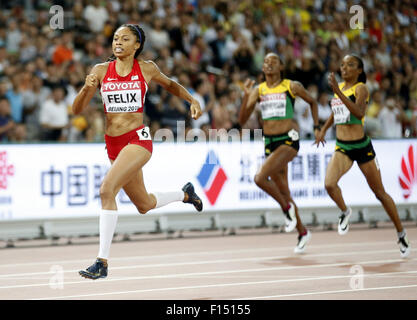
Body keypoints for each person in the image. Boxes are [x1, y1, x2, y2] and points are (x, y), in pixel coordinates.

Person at [73, 24, 203, 280]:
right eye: (115, 38)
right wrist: (87, 88)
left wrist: (193, 100)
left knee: (106, 190)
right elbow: (77, 110)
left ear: (137, 45)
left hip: (138, 140)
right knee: (144, 204)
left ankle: (102, 262)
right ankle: (185, 194)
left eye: (125, 38)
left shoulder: (147, 68)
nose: (118, 41)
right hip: (113, 144)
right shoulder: (99, 71)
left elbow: (172, 85)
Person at [315, 54, 411, 258]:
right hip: (343, 146)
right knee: (329, 184)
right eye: (342, 64)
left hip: (362, 147)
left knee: (379, 193)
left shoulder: (361, 88)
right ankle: (344, 211)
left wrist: (337, 92)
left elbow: (358, 113)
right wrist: (323, 129)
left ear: (359, 70)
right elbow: (336, 111)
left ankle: (401, 233)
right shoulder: (340, 88)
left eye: (350, 65)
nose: (345, 68)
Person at [238, 52, 320, 254]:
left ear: (281, 66)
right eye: (265, 61)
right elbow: (242, 120)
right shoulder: (259, 90)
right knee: (284, 191)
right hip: (270, 142)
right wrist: (246, 97)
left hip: (288, 140)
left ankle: (286, 209)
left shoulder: (291, 86)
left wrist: (317, 127)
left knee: (259, 178)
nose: (269, 64)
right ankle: (302, 232)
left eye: (274, 61)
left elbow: (313, 102)